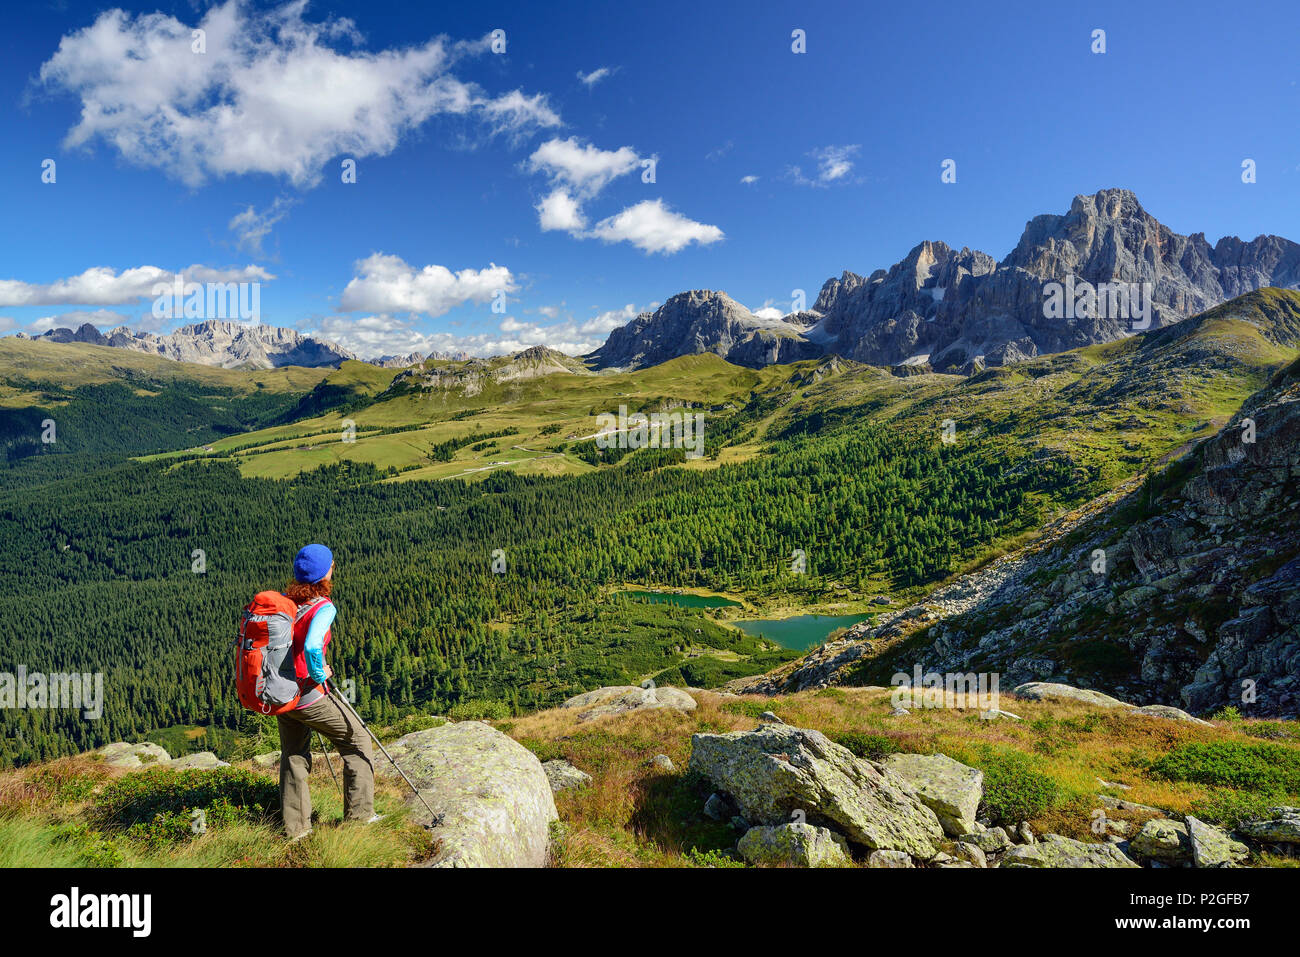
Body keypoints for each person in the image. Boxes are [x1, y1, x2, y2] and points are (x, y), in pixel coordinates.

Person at [276, 543, 376, 840]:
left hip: (282, 697)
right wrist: (320, 672)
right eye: (332, 564)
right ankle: (360, 818)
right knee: (358, 742)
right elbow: (310, 645)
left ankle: (296, 830)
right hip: (308, 695)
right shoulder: (323, 607)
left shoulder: (283, 602)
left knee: (293, 755)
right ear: (326, 573)